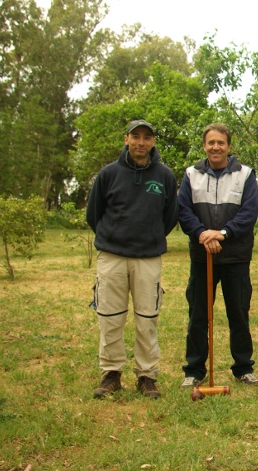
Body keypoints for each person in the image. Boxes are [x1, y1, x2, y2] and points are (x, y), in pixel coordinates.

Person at [86, 119, 178, 399]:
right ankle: (111, 373)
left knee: (147, 318)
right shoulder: (108, 174)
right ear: (126, 139)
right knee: (110, 317)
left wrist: (148, 238)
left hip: (147, 258)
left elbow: (169, 217)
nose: (141, 142)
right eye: (135, 136)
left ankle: (147, 375)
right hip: (112, 256)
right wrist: (113, 237)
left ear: (153, 143)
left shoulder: (164, 176)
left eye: (147, 138)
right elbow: (94, 214)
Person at [177, 123, 258, 387]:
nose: (216, 147)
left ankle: (243, 368)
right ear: (204, 146)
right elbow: (183, 210)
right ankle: (194, 370)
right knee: (199, 315)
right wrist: (203, 235)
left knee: (238, 313)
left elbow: (249, 214)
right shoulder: (191, 174)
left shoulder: (245, 175)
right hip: (203, 258)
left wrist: (222, 233)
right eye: (211, 142)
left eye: (221, 143)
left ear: (229, 146)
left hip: (235, 257)